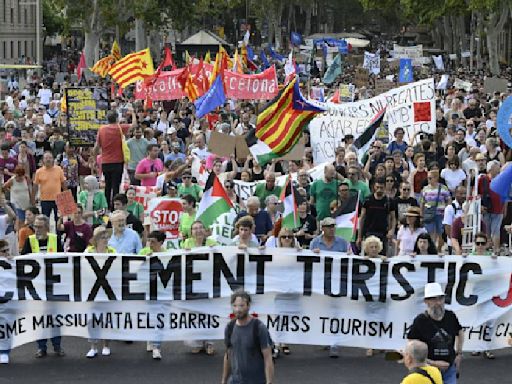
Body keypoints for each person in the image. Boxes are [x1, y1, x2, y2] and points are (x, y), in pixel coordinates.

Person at [21, 214, 65, 357]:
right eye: (35, 227)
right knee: (39, 318)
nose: (37, 230)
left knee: (55, 318)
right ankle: (41, 347)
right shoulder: (30, 240)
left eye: (40, 227)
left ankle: (57, 346)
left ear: (47, 227)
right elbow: (22, 261)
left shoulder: (55, 239)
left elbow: (64, 260)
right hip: (36, 287)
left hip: (53, 285)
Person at [408, 282, 464, 384]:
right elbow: (411, 346)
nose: (438, 302)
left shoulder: (450, 316)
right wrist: (432, 363)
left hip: (449, 369)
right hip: (428, 370)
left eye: (440, 298)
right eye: (434, 299)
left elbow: (460, 332)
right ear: (426, 301)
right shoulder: (420, 321)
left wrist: (459, 354)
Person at [221, 290, 274, 384]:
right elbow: (228, 356)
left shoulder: (259, 328)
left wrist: (269, 382)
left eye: (241, 305)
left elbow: (268, 357)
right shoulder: (230, 327)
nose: (238, 309)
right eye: (235, 306)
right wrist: (224, 381)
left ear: (248, 306)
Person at [93, 108, 137, 208]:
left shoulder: (102, 129)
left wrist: (94, 159)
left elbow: (96, 146)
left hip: (105, 162)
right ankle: (115, 206)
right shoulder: (120, 128)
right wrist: (133, 113)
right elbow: (134, 125)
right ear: (117, 118)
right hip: (118, 162)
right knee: (115, 185)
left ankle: (106, 206)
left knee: (107, 186)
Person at [84, 226, 116, 358]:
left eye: (106, 237)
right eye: (102, 237)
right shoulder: (88, 251)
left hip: (107, 288)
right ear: (96, 240)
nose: (105, 239)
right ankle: (93, 346)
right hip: (93, 289)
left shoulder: (112, 251)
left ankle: (106, 345)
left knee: (106, 318)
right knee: (92, 319)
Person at [139, 230, 167, 359]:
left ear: (161, 243)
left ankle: (157, 346)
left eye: (153, 242)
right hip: (146, 290)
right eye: (148, 240)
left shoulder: (167, 254)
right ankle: (150, 340)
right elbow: (134, 268)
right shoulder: (143, 252)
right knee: (148, 317)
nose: (149, 244)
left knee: (158, 317)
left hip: (160, 292)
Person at [361, 235, 387, 357]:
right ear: (366, 248)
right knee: (369, 320)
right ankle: (369, 346)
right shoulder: (362, 261)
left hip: (381, 294)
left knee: (381, 319)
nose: (373, 249)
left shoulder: (384, 260)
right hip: (367, 295)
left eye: (376, 247)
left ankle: (380, 343)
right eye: (371, 247)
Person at [357, 178, 396, 255]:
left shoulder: (389, 201)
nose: (379, 190)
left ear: (385, 187)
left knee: (382, 258)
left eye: (381, 188)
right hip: (369, 232)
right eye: (377, 187)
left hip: (383, 234)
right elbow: (362, 217)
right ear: (374, 187)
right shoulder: (368, 200)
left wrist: (392, 230)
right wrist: (359, 236)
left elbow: (393, 217)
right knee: (368, 257)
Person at [420, 170, 451, 250]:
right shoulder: (425, 189)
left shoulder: (443, 188)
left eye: (430, 178)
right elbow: (422, 202)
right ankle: (431, 248)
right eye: (428, 178)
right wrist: (421, 214)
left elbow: (448, 199)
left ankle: (439, 248)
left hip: (441, 214)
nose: (429, 180)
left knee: (440, 232)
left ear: (436, 178)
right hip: (429, 213)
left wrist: (447, 210)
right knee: (429, 232)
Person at [33, 151, 66, 223]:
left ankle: (59, 234)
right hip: (45, 200)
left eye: (50, 158)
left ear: (53, 159)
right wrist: (33, 198)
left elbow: (63, 183)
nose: (48, 159)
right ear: (43, 160)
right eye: (46, 158)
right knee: (45, 220)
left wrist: (66, 196)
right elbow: (35, 186)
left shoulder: (59, 169)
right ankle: (46, 234)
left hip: (58, 199)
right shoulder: (39, 171)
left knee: (59, 220)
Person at [0, 239, 13, 364]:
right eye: (4, 251)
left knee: (4, 324)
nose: (7, 253)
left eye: (8, 250)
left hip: (5, 301)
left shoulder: (12, 264)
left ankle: (4, 351)